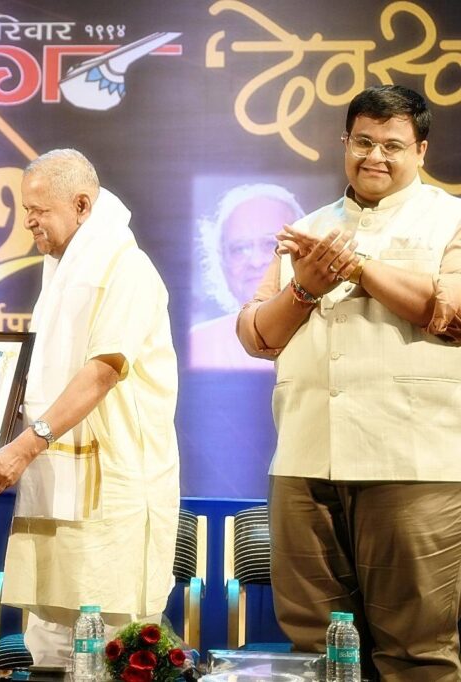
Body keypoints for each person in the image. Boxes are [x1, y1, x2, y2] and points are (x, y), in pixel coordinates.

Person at [237, 85, 461, 680]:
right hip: (305, 457)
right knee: (317, 645)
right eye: (363, 142)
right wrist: (304, 287)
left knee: (416, 648)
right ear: (344, 143)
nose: (374, 156)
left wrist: (356, 267)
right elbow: (256, 334)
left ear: (421, 150)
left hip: (413, 462)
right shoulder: (309, 228)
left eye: (392, 145)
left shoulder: (451, 218)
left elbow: (454, 311)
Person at [0, 149, 180, 666]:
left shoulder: (126, 269)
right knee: (47, 645)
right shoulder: (63, 274)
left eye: (38, 210)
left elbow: (103, 370)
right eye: (26, 209)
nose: (28, 221)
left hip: (112, 494)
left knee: (110, 650)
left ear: (81, 205)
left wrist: (24, 447)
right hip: (57, 493)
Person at [190, 183, 304, 369]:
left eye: (270, 244)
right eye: (240, 249)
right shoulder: (199, 343)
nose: (256, 262)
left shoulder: (332, 330)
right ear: (221, 261)